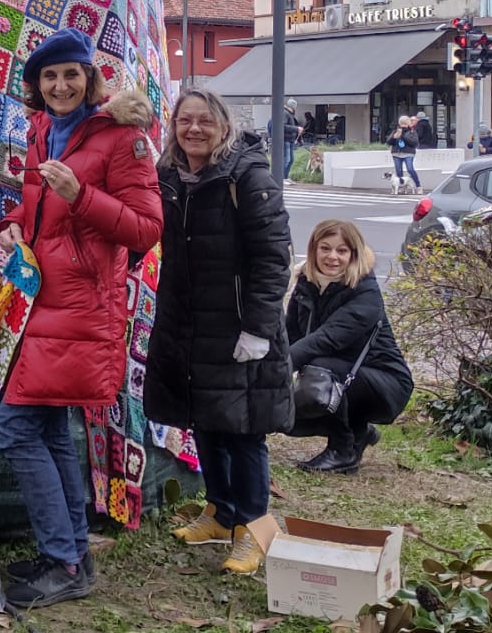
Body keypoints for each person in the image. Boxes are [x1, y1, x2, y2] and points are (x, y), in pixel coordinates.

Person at [0, 28, 163, 608]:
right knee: (47, 432)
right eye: (49, 77)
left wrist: (81, 195)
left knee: (17, 429)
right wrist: (15, 219)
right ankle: (69, 555)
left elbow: (145, 229)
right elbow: (40, 203)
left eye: (71, 74)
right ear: (38, 87)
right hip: (42, 299)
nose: (61, 86)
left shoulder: (122, 139)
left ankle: (63, 560)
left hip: (83, 306)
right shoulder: (44, 130)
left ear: (90, 79)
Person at [147, 87, 293, 575]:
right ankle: (221, 511)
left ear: (224, 127)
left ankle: (255, 526)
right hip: (189, 321)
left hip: (237, 325)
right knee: (205, 417)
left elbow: (274, 259)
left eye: (204, 121)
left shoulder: (248, 177)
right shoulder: (168, 176)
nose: (194, 130)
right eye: (184, 121)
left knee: (244, 429)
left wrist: (258, 329)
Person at [283, 220, 414, 473]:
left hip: (385, 382)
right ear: (314, 250)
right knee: (288, 413)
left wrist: (279, 367)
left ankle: (342, 450)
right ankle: (358, 431)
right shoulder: (306, 283)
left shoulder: (365, 292)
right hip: (342, 374)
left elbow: (326, 339)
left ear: (353, 254)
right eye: (325, 248)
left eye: (342, 251)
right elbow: (292, 336)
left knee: (318, 374)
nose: (332, 257)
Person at [389, 115, 422, 195]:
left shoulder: (412, 132)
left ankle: (418, 186)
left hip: (408, 153)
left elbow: (414, 143)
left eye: (405, 124)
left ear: (408, 124)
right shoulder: (396, 131)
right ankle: (402, 186)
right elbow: (389, 142)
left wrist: (403, 136)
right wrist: (394, 137)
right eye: (401, 124)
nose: (403, 126)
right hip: (397, 153)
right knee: (398, 170)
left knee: (410, 169)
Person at [281, 100, 301, 179]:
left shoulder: (289, 114)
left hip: (290, 140)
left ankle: (285, 177)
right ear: (293, 106)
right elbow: (283, 126)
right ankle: (282, 178)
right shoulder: (285, 113)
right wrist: (296, 129)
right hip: (286, 139)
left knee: (290, 160)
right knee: (287, 160)